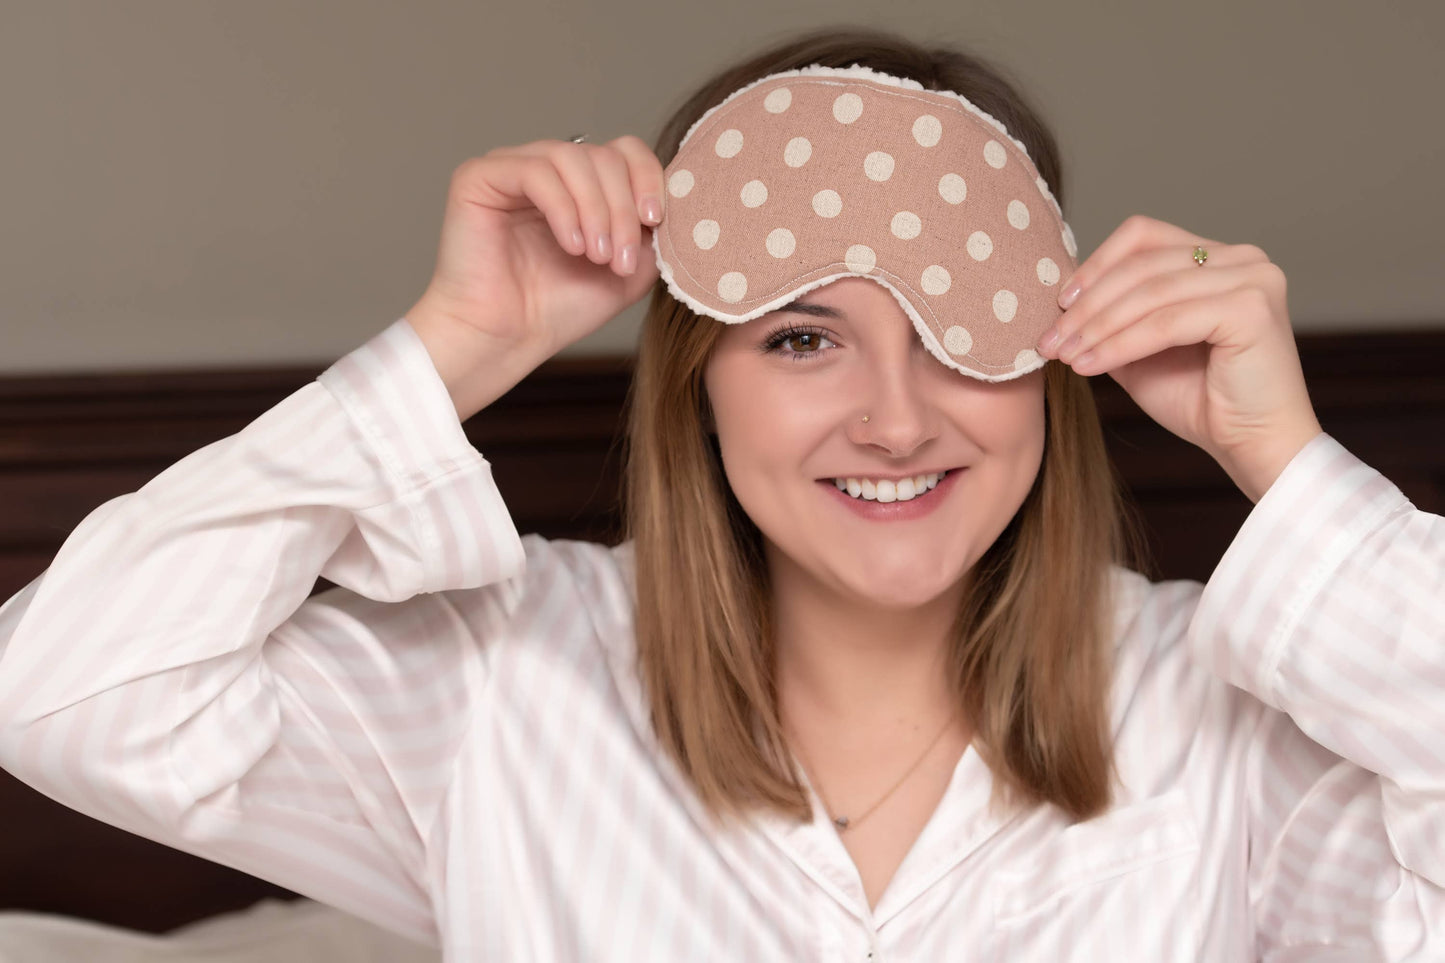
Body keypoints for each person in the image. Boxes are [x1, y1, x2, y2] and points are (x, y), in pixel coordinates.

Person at [0, 24, 1440, 961]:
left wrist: (1281, 462)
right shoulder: (500, 685)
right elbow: (73, 697)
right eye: (802, 338)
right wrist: (453, 349)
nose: (894, 418)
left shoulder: (1225, 721)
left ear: (1055, 360)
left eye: (960, 335)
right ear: (698, 374)